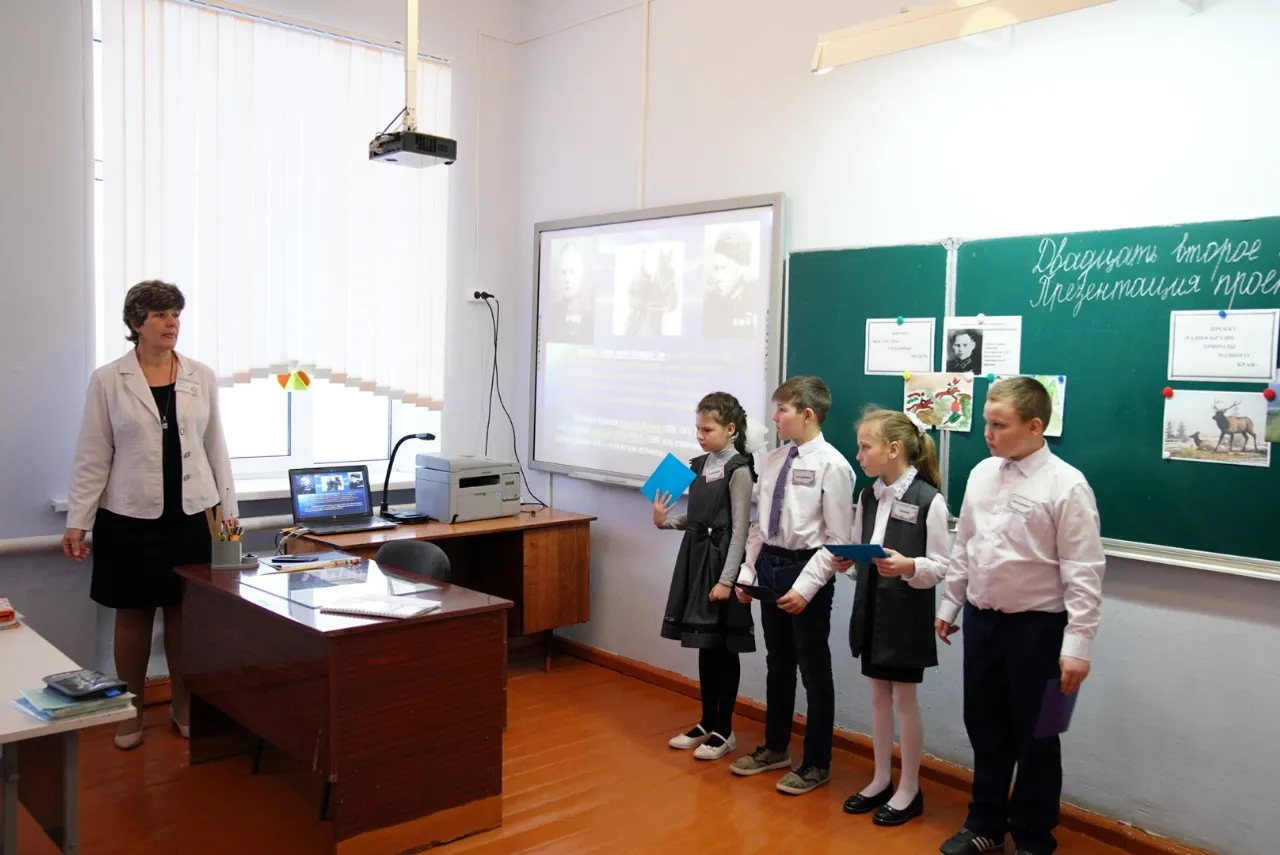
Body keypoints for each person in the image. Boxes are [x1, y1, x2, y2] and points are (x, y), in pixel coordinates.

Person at [62, 280, 237, 751]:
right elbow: (93, 454)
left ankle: (183, 704)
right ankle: (131, 710)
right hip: (129, 517)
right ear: (136, 323)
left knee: (184, 615)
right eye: (160, 315)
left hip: (191, 515)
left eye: (176, 314)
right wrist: (78, 520)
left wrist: (229, 517)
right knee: (133, 616)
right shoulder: (108, 379)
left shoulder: (200, 375)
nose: (171, 323)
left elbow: (215, 448)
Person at [934, 376, 1105, 855]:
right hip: (983, 622)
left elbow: (1084, 571)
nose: (987, 434)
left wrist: (1078, 645)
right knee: (984, 727)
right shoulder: (982, 473)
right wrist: (950, 604)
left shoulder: (1067, 485)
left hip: (1041, 629)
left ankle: (1033, 836)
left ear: (1034, 426)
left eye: (999, 425)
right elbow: (966, 544)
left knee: (1040, 735)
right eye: (986, 423)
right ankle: (985, 823)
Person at [730, 375, 854, 795]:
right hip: (770, 566)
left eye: (782, 410)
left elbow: (838, 540)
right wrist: (748, 573)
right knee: (778, 664)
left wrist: (805, 588)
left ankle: (817, 762)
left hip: (807, 572)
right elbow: (760, 525)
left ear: (808, 414)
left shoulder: (834, 466)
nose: (774, 418)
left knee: (814, 671)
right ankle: (775, 747)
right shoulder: (773, 460)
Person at [837, 407, 950, 828]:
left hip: (905, 613)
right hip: (872, 608)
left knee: (904, 699)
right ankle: (881, 778)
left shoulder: (928, 499)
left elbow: (942, 565)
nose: (859, 455)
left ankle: (910, 787)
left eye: (865, 447)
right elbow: (860, 549)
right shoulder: (868, 496)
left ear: (894, 449)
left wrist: (909, 566)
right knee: (877, 696)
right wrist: (847, 562)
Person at [652, 392, 758, 761]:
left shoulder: (739, 470)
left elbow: (740, 529)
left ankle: (725, 730)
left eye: (707, 429)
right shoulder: (698, 465)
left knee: (724, 647)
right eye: (697, 428)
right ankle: (707, 721)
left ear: (730, 429)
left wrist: (727, 580)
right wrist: (665, 522)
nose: (700, 436)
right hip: (696, 559)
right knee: (704, 643)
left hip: (721, 564)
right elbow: (695, 519)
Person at [702, 226, 759, 338]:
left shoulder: (755, 301)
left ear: (742, 266)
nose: (718, 277)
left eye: (724, 268)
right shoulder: (709, 305)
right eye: (716, 269)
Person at [546, 241, 595, 345]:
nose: (567, 278)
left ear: (580, 273)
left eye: (572, 271)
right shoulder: (552, 312)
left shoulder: (590, 314)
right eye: (563, 272)